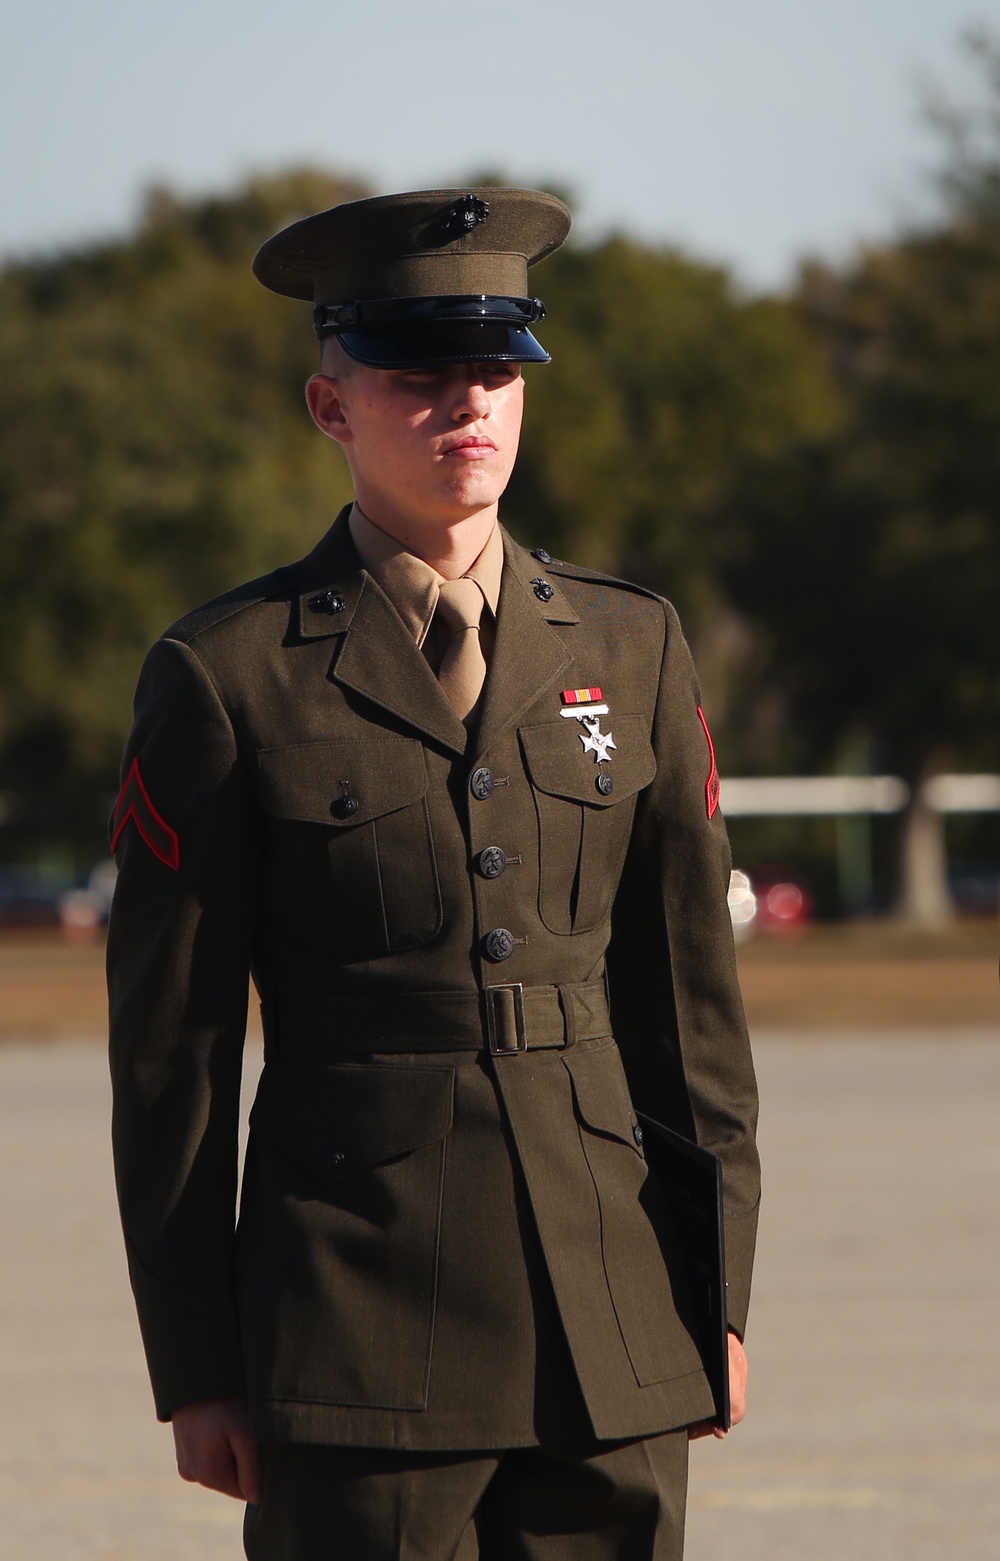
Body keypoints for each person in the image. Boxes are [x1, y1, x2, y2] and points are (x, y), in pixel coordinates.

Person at [107, 186, 760, 1561]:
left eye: (494, 370)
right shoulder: (224, 676)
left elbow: (690, 1011)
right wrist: (201, 1361)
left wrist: (716, 1297)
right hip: (355, 1333)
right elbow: (175, 1057)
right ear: (331, 407)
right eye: (419, 375)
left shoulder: (632, 647)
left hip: (614, 1319)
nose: (468, 404)